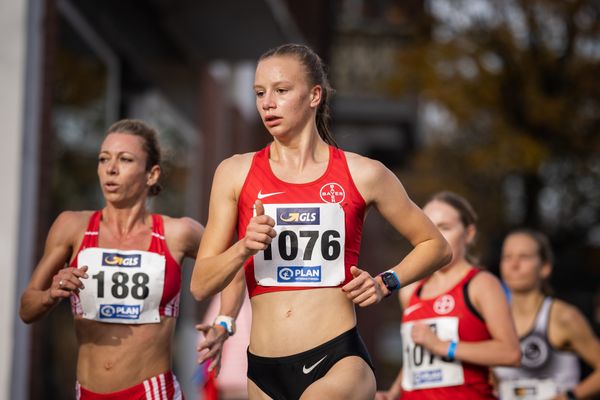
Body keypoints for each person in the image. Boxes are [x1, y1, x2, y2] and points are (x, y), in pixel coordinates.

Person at [190, 43, 452, 400]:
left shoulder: (363, 173)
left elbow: (436, 245)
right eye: (259, 93)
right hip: (264, 369)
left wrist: (384, 283)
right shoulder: (235, 173)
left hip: (336, 358)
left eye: (281, 91)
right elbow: (201, 283)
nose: (268, 103)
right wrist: (243, 248)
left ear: (314, 95)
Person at [19, 119, 217, 399]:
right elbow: (27, 308)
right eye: (103, 159)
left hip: (151, 392)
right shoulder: (72, 226)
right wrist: (51, 294)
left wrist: (225, 322)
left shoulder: (177, 232)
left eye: (125, 159)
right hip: (87, 392)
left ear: (152, 174)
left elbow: (237, 261)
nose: (110, 169)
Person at [376, 191, 521, 400]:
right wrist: (393, 393)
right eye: (430, 228)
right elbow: (415, 356)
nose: (437, 236)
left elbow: (511, 353)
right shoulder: (411, 290)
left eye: (445, 227)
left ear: (469, 234)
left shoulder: (481, 284)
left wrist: (443, 346)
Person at [494, 229, 600, 400]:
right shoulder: (491, 319)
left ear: (545, 267)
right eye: (507, 257)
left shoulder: (563, 316)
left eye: (524, 257)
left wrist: (569, 396)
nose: (514, 265)